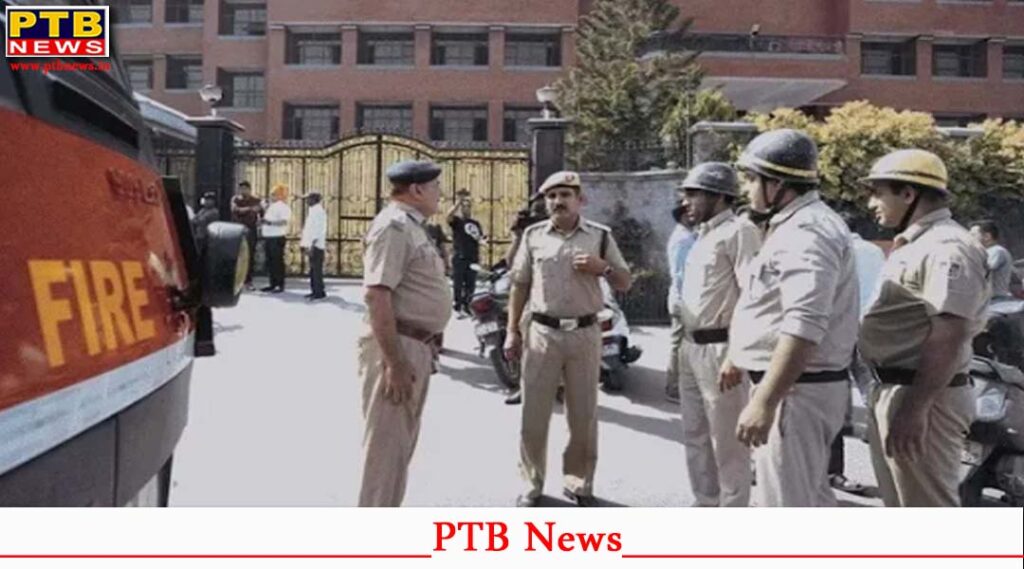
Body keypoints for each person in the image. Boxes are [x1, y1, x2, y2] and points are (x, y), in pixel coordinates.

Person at [723, 129, 860, 507]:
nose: (748, 190)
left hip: (796, 393)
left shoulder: (807, 232)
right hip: (797, 387)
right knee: (808, 502)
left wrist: (765, 400)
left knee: (784, 509)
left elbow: (804, 323)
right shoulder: (795, 226)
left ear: (778, 184)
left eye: (753, 180)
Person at [859, 149, 989, 507]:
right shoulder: (917, 244)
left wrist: (916, 408)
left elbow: (949, 334)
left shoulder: (947, 247)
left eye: (878, 192)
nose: (872, 203)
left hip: (924, 394)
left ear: (908, 193)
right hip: (899, 387)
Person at [504, 171, 632, 507]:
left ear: (580, 200)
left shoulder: (600, 236)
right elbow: (519, 284)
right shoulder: (533, 236)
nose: (558, 201)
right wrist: (511, 331)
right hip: (542, 333)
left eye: (565, 195)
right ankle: (531, 483)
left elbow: (624, 282)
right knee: (533, 414)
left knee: (583, 416)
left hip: (585, 334)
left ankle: (579, 483)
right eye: (552, 196)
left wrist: (601, 267)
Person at [358, 159, 452, 507]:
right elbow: (377, 295)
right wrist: (395, 361)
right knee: (386, 454)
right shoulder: (394, 226)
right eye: (436, 187)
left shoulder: (413, 226)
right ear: (416, 190)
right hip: (398, 347)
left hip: (415, 346)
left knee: (398, 450)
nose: (439, 194)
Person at [675, 162, 762, 507]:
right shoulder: (703, 236)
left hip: (721, 348)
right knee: (695, 435)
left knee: (727, 442)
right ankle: (705, 503)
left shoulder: (740, 231)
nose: (687, 202)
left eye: (694, 194)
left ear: (719, 196)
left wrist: (737, 353)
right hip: (691, 346)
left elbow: (752, 296)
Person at [828, 212, 887, 496]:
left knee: (835, 395)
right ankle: (882, 457)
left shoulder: (837, 248)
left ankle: (833, 469)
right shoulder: (875, 251)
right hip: (869, 330)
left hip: (839, 330)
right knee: (872, 394)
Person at [665, 202, 697, 404]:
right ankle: (673, 387)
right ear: (684, 216)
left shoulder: (688, 236)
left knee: (681, 343)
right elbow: (680, 275)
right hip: (682, 299)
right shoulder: (683, 239)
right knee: (678, 345)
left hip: (682, 298)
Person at [447, 189, 485, 317]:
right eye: (464, 207)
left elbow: (480, 238)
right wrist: (458, 202)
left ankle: (467, 305)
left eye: (468, 207)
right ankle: (458, 306)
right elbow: (449, 216)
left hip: (472, 257)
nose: (466, 209)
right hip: (459, 256)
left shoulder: (475, 223)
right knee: (458, 283)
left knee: (471, 283)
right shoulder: (457, 222)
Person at [970, 219, 1015, 300]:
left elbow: (982, 270)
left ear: (987, 236)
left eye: (973, 235)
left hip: (997, 300)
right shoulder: (987, 252)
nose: (970, 238)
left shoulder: (996, 251)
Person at [231, 180, 263, 290]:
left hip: (251, 230)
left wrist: (260, 219)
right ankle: (238, 280)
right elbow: (235, 210)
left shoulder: (256, 200)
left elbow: (261, 212)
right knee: (238, 256)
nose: (242, 191)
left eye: (245, 188)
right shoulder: (236, 199)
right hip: (238, 231)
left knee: (250, 255)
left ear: (249, 189)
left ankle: (248, 281)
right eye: (241, 189)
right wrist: (250, 209)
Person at [260, 184, 291, 293]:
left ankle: (279, 284)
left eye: (274, 194)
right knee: (270, 262)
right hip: (269, 237)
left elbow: (284, 221)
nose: (271, 196)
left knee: (277, 262)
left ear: (280, 195)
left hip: (276, 237)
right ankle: (272, 283)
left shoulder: (283, 207)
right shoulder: (272, 206)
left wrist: (269, 222)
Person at [300, 192, 328, 301]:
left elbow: (318, 230)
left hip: (316, 245)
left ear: (314, 199)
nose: (306, 201)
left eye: (308, 199)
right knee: (313, 269)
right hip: (312, 244)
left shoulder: (318, 212)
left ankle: (319, 292)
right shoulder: (313, 211)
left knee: (316, 269)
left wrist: (312, 244)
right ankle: (314, 290)